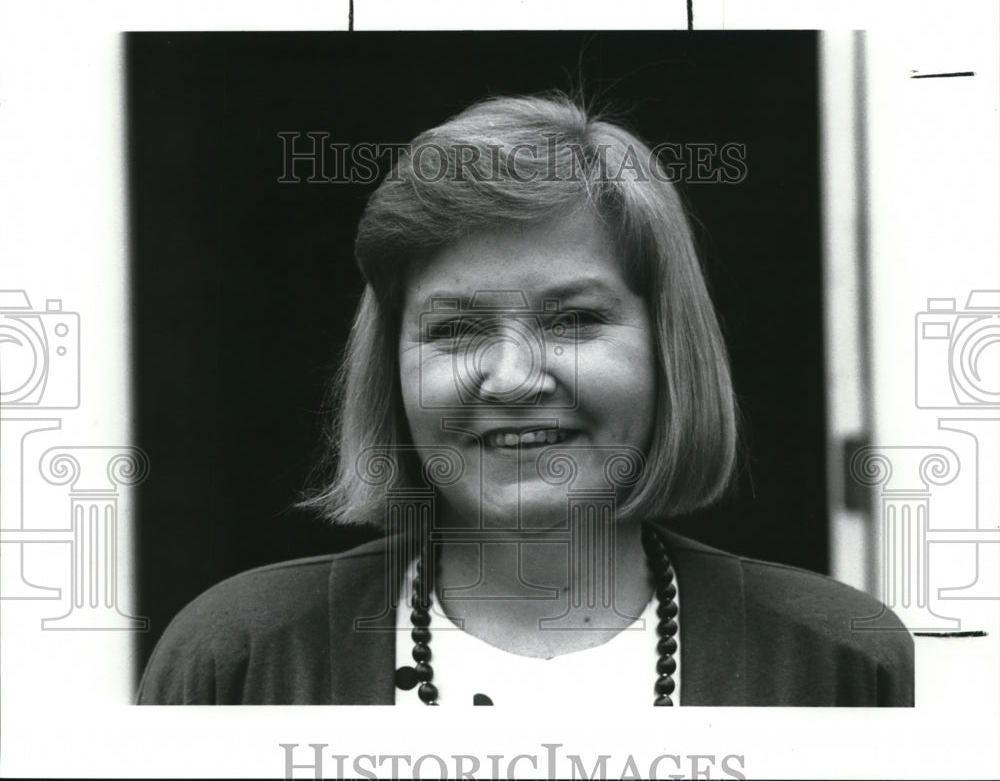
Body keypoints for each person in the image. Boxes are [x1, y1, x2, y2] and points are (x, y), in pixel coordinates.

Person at [137, 94, 914, 706]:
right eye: (457, 328)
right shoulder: (238, 657)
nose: (511, 377)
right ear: (392, 370)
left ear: (668, 351)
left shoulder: (841, 660)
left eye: (573, 319)